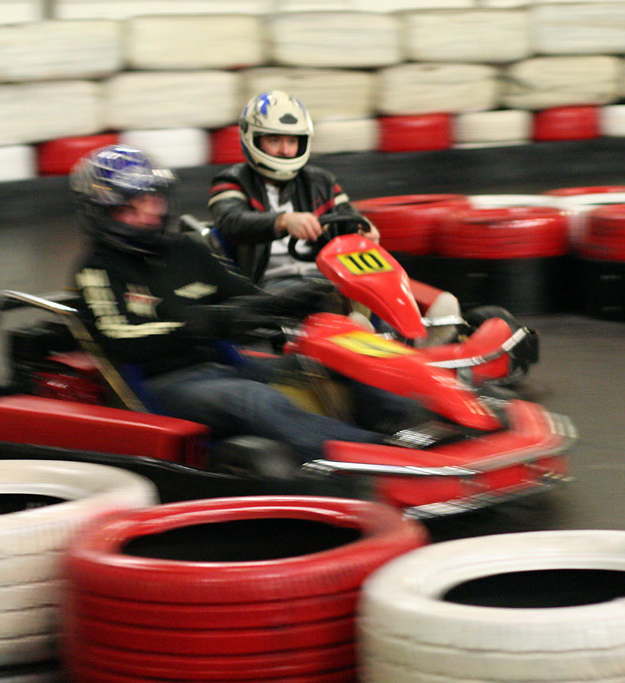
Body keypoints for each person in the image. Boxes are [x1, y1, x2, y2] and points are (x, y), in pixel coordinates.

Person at [70, 144, 415, 460]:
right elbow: (121, 339)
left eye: (152, 199)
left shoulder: (186, 250)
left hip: (226, 366)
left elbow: (246, 298)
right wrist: (209, 322)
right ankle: (380, 457)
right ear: (102, 213)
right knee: (255, 399)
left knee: (340, 356)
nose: (149, 213)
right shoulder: (97, 270)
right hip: (166, 384)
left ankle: (409, 429)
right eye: (129, 208)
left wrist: (298, 298)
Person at [208, 90, 380, 290]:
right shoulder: (231, 181)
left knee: (376, 290)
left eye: (292, 141)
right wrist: (283, 222)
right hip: (268, 284)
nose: (285, 150)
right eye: (274, 140)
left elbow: (347, 218)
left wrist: (363, 230)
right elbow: (231, 222)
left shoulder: (321, 182)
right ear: (252, 139)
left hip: (323, 275)